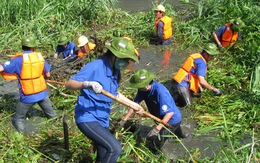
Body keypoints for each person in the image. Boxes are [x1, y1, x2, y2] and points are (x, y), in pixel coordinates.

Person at [65, 37, 143, 163]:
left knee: (103, 155)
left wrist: (133, 104)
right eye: (126, 59)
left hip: (102, 119)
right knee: (115, 148)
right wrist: (86, 84)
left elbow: (114, 94)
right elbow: (69, 84)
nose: (127, 63)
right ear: (115, 56)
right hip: (87, 117)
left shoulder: (115, 71)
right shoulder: (95, 66)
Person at [119, 69, 185, 151]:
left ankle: (157, 154)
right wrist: (124, 120)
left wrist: (157, 129)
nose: (138, 88)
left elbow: (169, 113)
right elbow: (134, 105)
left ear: (146, 84)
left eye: (139, 86)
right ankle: (183, 138)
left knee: (155, 145)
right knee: (179, 136)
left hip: (170, 121)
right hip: (160, 118)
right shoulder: (142, 90)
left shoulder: (160, 91)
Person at [0, 35, 56, 132]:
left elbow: (1, 68)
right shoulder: (40, 57)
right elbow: (48, 74)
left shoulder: (17, 60)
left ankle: (23, 137)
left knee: (18, 119)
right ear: (33, 47)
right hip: (42, 94)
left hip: (27, 97)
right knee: (52, 116)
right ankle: (56, 129)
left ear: (22, 46)